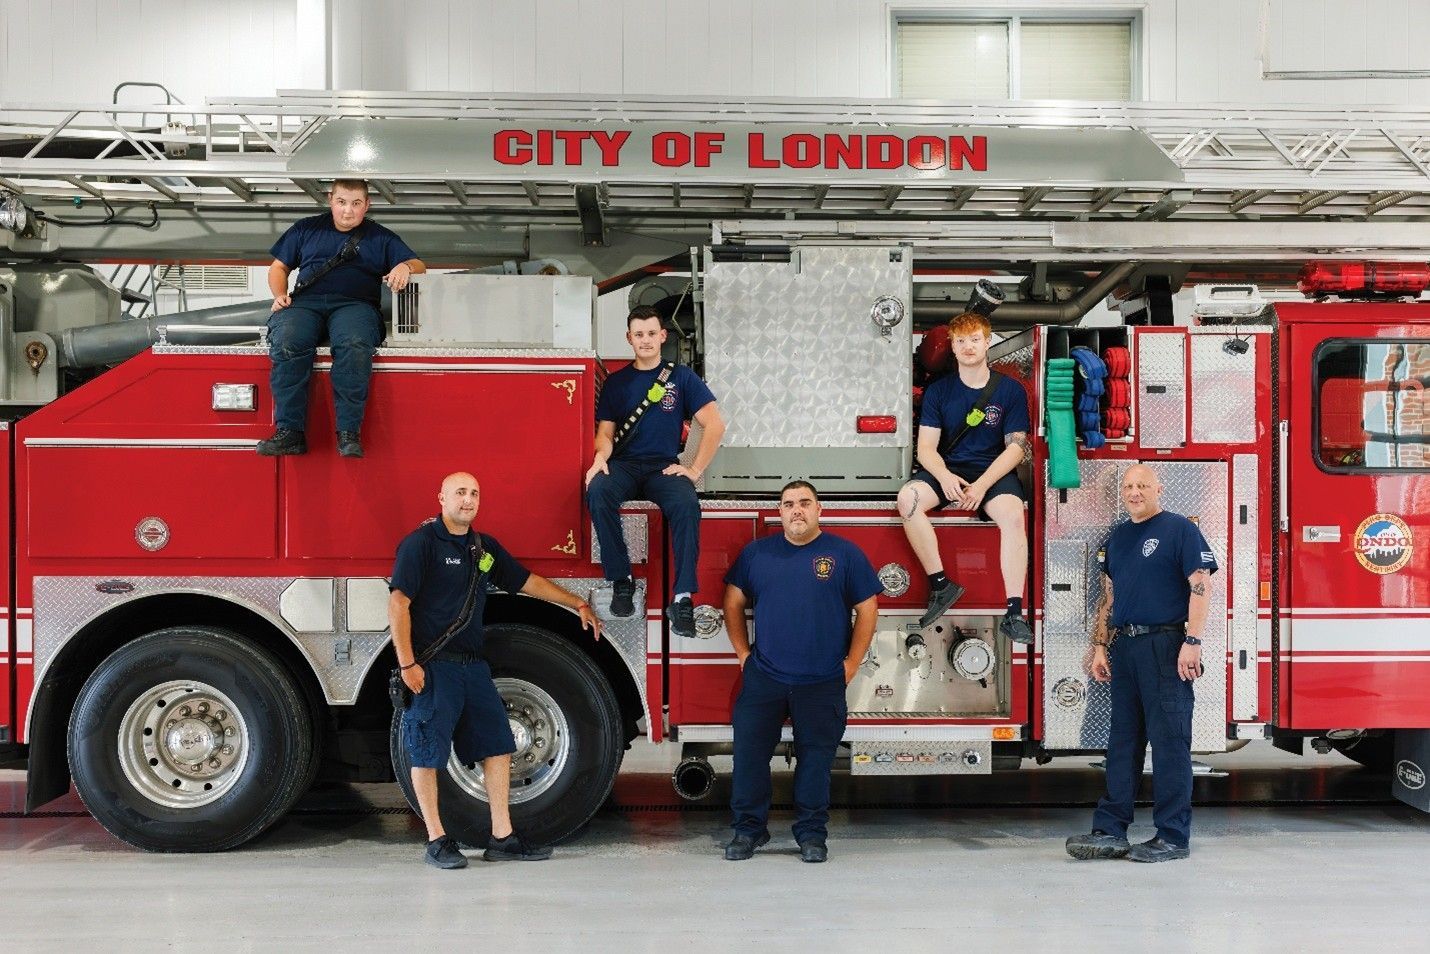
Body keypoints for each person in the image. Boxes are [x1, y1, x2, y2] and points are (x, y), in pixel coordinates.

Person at [390, 471, 603, 869]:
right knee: (427, 753)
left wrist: (576, 602)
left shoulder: (482, 548)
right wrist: (408, 664)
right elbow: (399, 604)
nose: (467, 499)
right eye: (459, 492)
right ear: (441, 497)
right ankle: (436, 839)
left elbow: (525, 581)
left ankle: (502, 837)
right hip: (434, 668)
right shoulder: (420, 544)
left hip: (473, 669)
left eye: (474, 493)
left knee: (499, 747)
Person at [722, 480, 881, 863]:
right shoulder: (757, 555)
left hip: (822, 680)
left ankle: (811, 835)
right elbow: (732, 601)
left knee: (816, 761)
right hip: (766, 677)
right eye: (789, 503)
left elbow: (869, 608)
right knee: (749, 756)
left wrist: (852, 663)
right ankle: (748, 831)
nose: (797, 510)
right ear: (779, 512)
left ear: (818, 509)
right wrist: (744, 654)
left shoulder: (844, 554)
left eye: (804, 503)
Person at [1065, 464, 1217, 863]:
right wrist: (1100, 646)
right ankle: (1111, 829)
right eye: (1128, 486)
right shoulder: (1118, 538)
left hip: (1166, 646)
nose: (1134, 492)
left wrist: (1193, 641)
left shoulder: (1179, 529)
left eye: (1142, 485)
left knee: (1169, 744)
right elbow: (1109, 596)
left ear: (1158, 489)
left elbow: (1201, 585)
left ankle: (1172, 837)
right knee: (1123, 743)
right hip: (1125, 649)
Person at [259, 179, 426, 459]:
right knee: (288, 340)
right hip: (305, 305)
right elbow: (279, 266)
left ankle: (348, 433)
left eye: (356, 203)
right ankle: (290, 433)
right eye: (342, 202)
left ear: (367, 205)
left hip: (355, 305)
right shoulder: (306, 229)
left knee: (353, 343)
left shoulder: (380, 237)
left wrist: (404, 265)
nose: (348, 211)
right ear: (330, 200)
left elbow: (419, 265)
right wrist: (280, 294)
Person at [586, 305, 725, 637]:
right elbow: (605, 434)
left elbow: (714, 425)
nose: (645, 340)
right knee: (598, 490)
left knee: (686, 505)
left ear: (662, 336)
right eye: (639, 335)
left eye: (651, 333)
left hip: (662, 469)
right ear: (629, 339)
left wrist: (693, 469)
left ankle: (682, 598)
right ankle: (622, 580)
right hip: (623, 465)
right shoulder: (616, 383)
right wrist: (599, 459)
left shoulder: (681, 377)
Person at [895, 311, 1034, 644]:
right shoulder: (938, 391)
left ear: (988, 342)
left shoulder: (1010, 391)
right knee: (907, 499)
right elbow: (925, 448)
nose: (969, 346)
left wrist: (983, 485)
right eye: (961, 341)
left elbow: (1016, 449)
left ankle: (1014, 613)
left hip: (993, 473)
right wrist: (943, 477)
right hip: (949, 470)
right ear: (953, 348)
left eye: (975, 339)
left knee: (1014, 516)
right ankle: (941, 586)